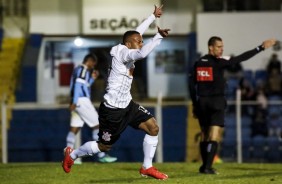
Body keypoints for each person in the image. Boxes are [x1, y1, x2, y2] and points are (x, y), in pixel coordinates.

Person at [62, 5, 170, 180]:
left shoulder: (125, 45)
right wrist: (157, 36)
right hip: (112, 111)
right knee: (104, 146)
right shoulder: (124, 53)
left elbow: (136, 34)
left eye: (141, 41)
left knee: (153, 128)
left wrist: (152, 17)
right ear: (128, 44)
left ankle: (147, 167)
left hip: (128, 104)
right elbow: (142, 53)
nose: (141, 43)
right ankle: (72, 155)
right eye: (138, 41)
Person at [189, 36, 276, 174]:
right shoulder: (219, 62)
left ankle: (203, 166)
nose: (221, 49)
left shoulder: (198, 63)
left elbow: (191, 85)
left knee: (205, 135)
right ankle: (207, 167)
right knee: (214, 136)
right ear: (210, 47)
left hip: (202, 103)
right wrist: (260, 47)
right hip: (216, 102)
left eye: (222, 47)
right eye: (218, 47)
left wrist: (194, 104)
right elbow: (241, 58)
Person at [65, 53, 117, 163]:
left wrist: (92, 79)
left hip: (77, 101)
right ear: (89, 61)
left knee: (74, 129)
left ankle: (69, 156)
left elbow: (82, 85)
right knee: (98, 125)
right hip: (81, 100)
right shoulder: (83, 69)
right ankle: (101, 155)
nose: (93, 66)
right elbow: (79, 87)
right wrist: (74, 102)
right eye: (93, 63)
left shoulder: (77, 69)